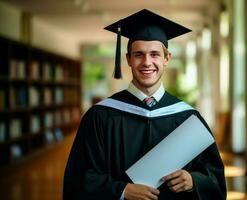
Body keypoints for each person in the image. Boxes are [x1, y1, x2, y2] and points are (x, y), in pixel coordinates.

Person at [63, 9, 226, 200]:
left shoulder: (187, 117)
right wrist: (121, 191)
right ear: (128, 60)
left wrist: (194, 181)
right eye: (139, 54)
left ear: (167, 59)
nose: (147, 62)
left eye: (155, 54)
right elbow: (79, 178)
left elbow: (215, 178)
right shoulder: (101, 116)